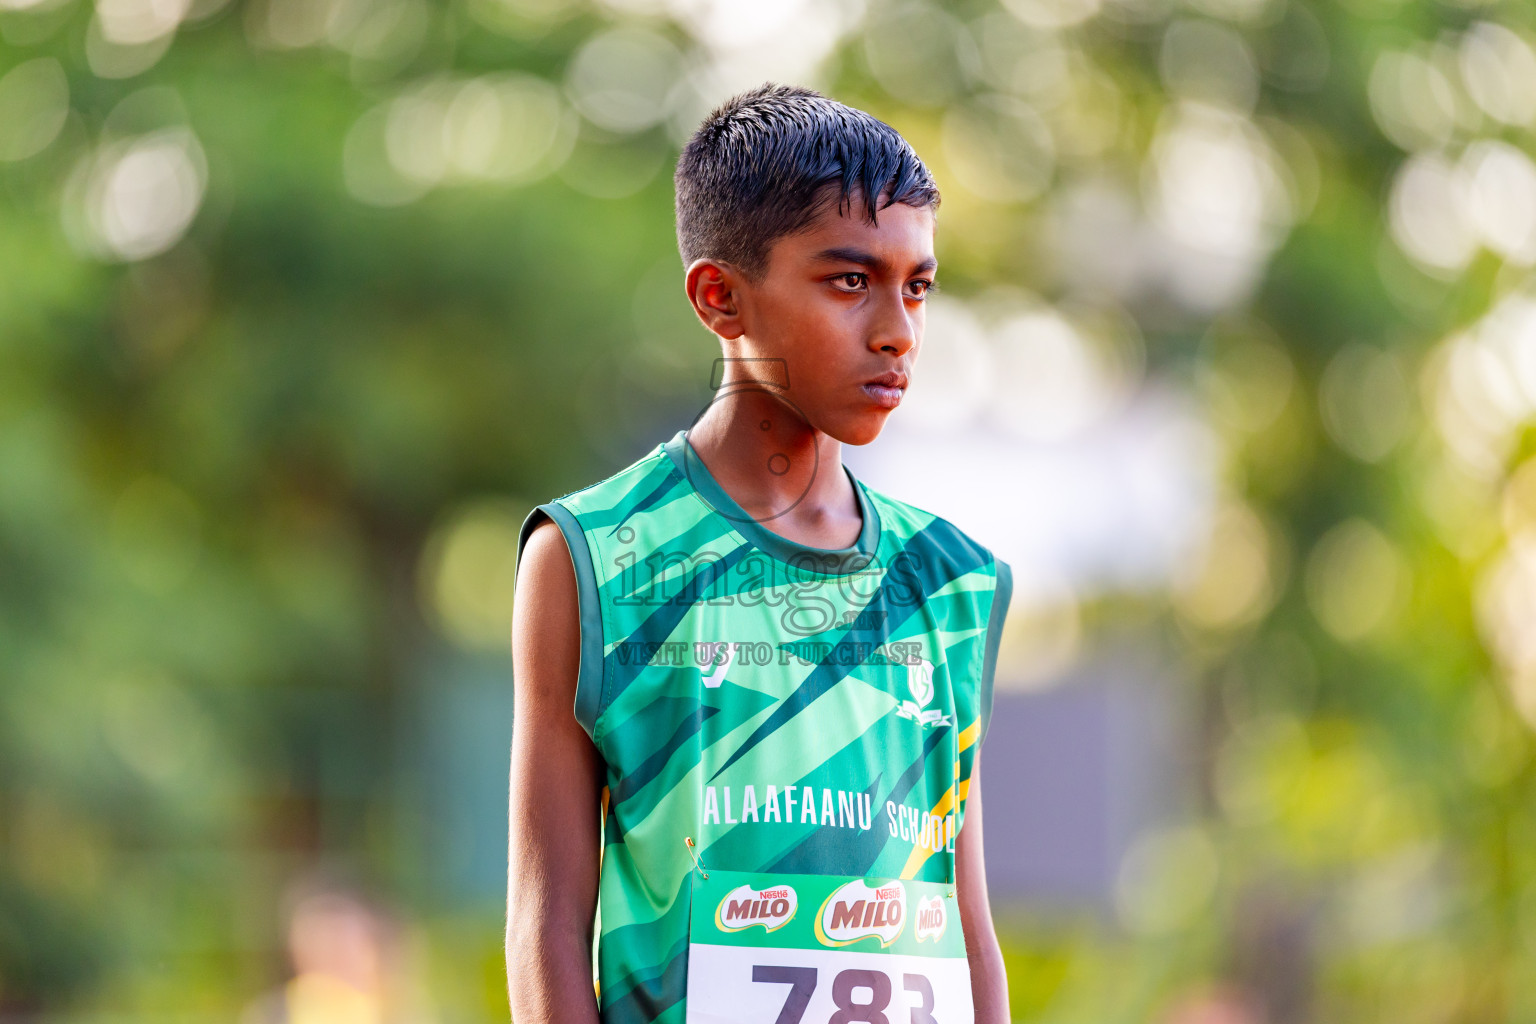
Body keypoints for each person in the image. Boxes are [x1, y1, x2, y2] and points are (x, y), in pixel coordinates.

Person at [507, 82, 1014, 1024]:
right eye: (850, 280)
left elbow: (968, 923)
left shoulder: (954, 581)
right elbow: (546, 920)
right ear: (721, 299)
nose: (898, 330)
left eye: (917, 286)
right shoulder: (593, 558)